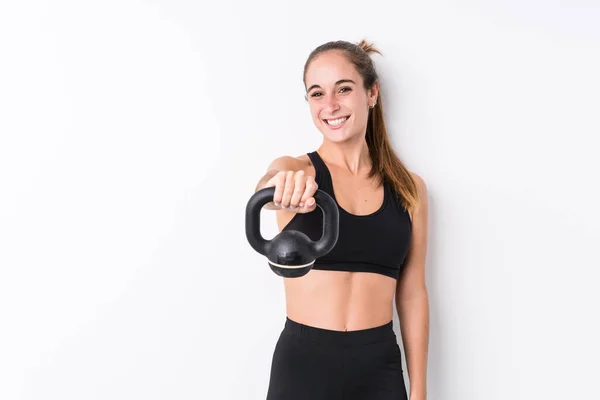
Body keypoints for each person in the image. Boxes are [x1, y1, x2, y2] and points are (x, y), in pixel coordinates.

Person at [254, 39, 429, 400]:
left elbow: (411, 294)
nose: (330, 105)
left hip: (379, 370)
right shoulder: (297, 170)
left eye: (343, 89)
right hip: (304, 367)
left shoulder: (410, 189)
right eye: (316, 94)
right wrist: (279, 187)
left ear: (372, 93)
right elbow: (267, 187)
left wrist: (419, 390)